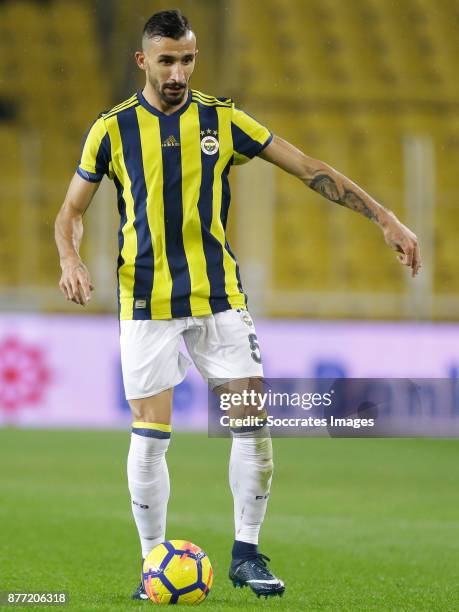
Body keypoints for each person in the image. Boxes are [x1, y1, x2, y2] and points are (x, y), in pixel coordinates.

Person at [54, 9, 421, 602]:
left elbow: (308, 169)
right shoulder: (110, 130)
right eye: (167, 60)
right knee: (151, 434)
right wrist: (70, 260)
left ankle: (246, 554)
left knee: (253, 426)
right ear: (143, 61)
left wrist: (386, 217)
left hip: (220, 298)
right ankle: (154, 562)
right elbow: (70, 211)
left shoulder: (223, 120)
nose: (178, 72)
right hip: (146, 300)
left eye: (188, 59)